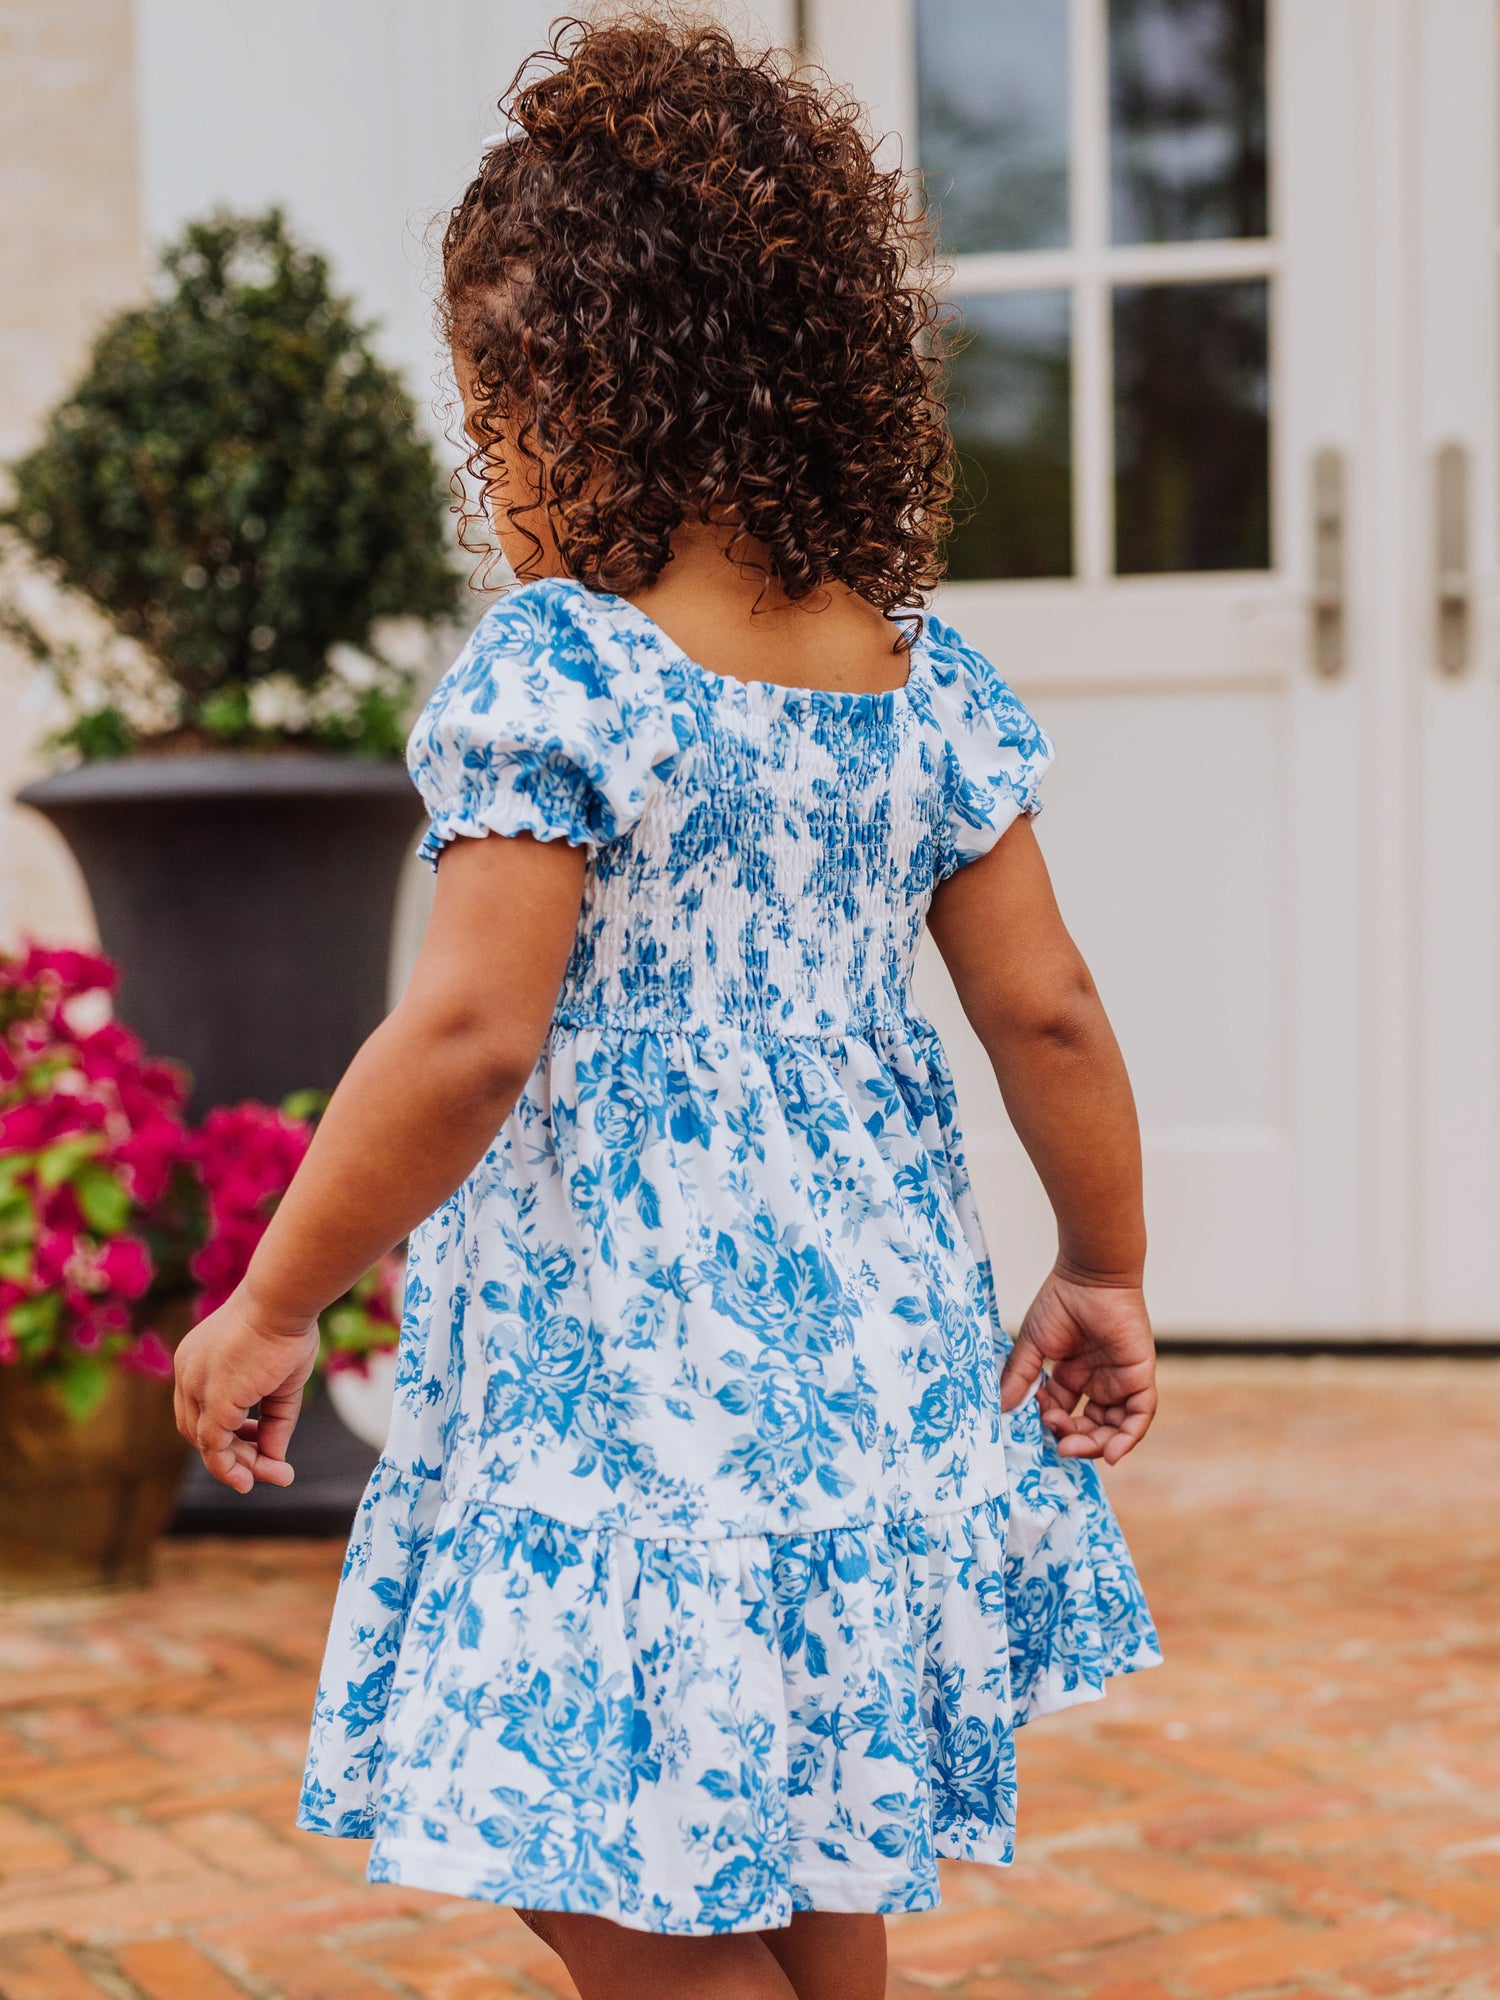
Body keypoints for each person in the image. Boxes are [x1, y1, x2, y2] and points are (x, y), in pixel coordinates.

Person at [174, 17, 1161, 1998]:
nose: (501, 483)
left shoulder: (568, 675)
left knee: (602, 1856)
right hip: (861, 1392)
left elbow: (467, 1036)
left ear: (588, 404)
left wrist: (279, 1294)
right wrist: (1105, 1262)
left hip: (623, 1405)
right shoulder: (914, 676)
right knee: (811, 1840)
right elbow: (1045, 1008)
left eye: (499, 427)